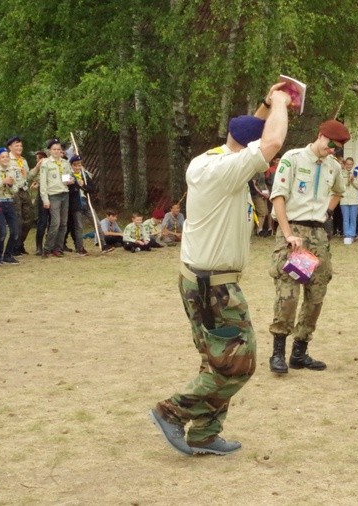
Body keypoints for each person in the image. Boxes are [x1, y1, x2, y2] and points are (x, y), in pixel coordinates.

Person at [149, 82, 291, 456]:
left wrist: (263, 104)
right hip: (216, 287)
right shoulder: (225, 170)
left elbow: (247, 132)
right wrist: (280, 103)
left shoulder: (211, 159)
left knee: (217, 360)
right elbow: (272, 140)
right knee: (240, 364)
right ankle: (171, 411)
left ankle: (205, 434)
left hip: (200, 278)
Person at [267, 119, 349, 374]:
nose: (332, 150)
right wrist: (288, 233)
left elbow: (338, 191)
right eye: (330, 144)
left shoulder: (332, 166)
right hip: (294, 232)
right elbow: (278, 196)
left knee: (316, 294)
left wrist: (326, 213)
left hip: (317, 234)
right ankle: (278, 352)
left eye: (337, 148)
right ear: (320, 135)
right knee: (289, 293)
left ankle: (300, 352)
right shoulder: (293, 159)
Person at [40, 139, 74, 257]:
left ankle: (58, 248)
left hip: (64, 193)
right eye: (54, 149)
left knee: (64, 223)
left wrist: (70, 180)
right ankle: (47, 248)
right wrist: (45, 199)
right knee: (55, 222)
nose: (56, 151)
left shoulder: (64, 163)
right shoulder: (46, 163)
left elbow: (69, 177)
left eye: (58, 149)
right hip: (53, 194)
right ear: (50, 150)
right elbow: (43, 183)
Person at [7, 136, 35, 256]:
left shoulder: (23, 161)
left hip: (24, 190)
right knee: (17, 220)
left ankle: (20, 243)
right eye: (16, 145)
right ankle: (14, 247)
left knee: (29, 220)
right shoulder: (6, 159)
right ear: (10, 147)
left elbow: (27, 177)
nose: (19, 148)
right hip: (14, 191)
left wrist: (37, 168)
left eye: (20, 146)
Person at [67, 155, 95, 256]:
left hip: (85, 201)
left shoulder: (85, 175)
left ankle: (103, 244)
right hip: (75, 203)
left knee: (95, 222)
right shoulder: (68, 174)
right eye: (76, 165)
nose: (78, 167)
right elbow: (67, 189)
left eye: (80, 165)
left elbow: (92, 188)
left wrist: (84, 185)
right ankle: (79, 248)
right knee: (78, 226)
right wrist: (76, 184)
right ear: (71, 166)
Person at [340, 156, 358, 244]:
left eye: (351, 164)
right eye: (347, 164)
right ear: (345, 164)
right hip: (344, 199)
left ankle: (352, 234)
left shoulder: (356, 173)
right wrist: (348, 181)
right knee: (345, 218)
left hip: (354, 199)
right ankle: (346, 234)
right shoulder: (341, 173)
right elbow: (340, 185)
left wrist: (353, 180)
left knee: (353, 218)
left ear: (353, 164)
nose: (349, 166)